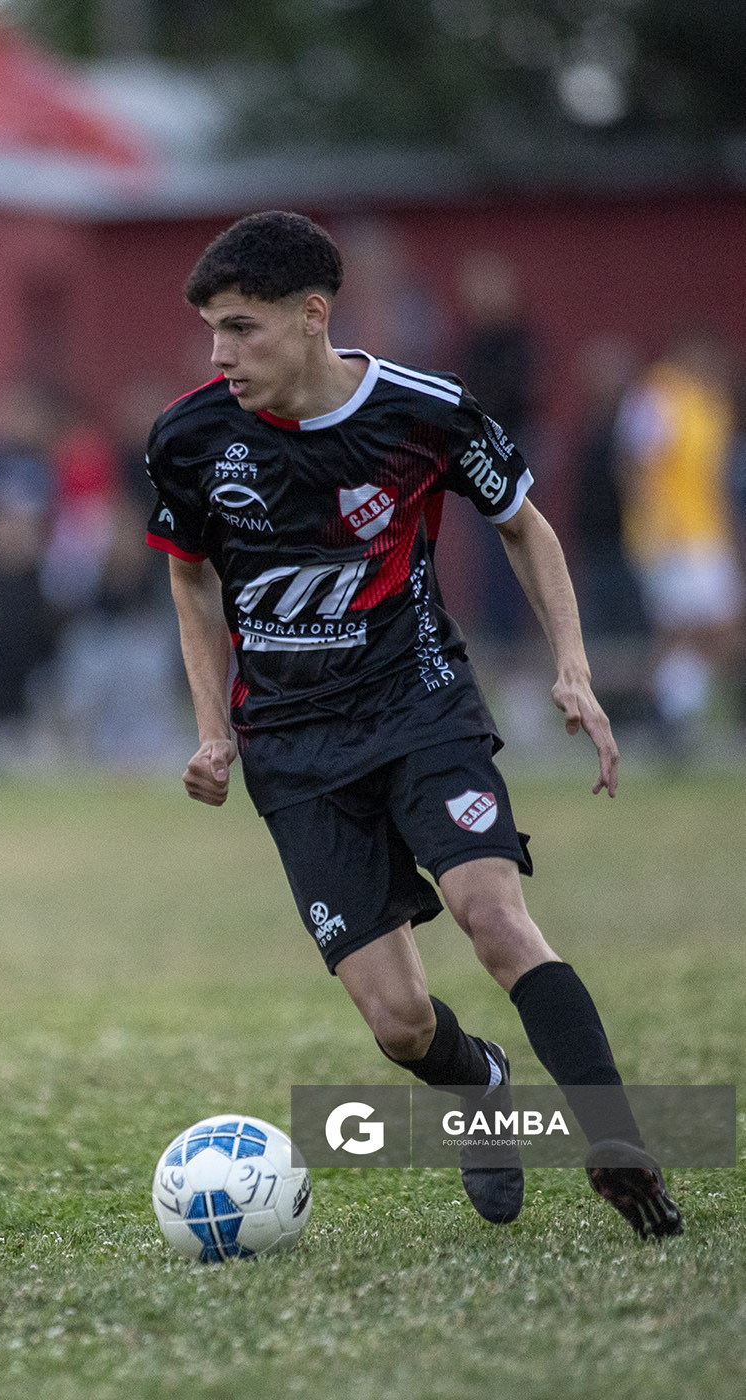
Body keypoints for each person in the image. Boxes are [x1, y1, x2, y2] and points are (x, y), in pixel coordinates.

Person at [145, 210, 682, 1241]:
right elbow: (191, 575)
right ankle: (483, 1085)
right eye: (213, 329)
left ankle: (618, 1139)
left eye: (242, 328)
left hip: (418, 703)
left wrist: (574, 669)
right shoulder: (190, 436)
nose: (222, 352)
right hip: (294, 749)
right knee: (400, 1023)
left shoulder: (424, 413)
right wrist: (214, 731)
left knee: (493, 913)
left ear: (312, 316)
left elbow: (523, 522)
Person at [616, 330, 744, 757]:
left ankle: (668, 709)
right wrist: (653, 523)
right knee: (686, 629)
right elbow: (635, 462)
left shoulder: (713, 405)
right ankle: (666, 717)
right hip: (671, 534)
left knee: (711, 630)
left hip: (706, 534)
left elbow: (714, 479)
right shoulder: (659, 393)